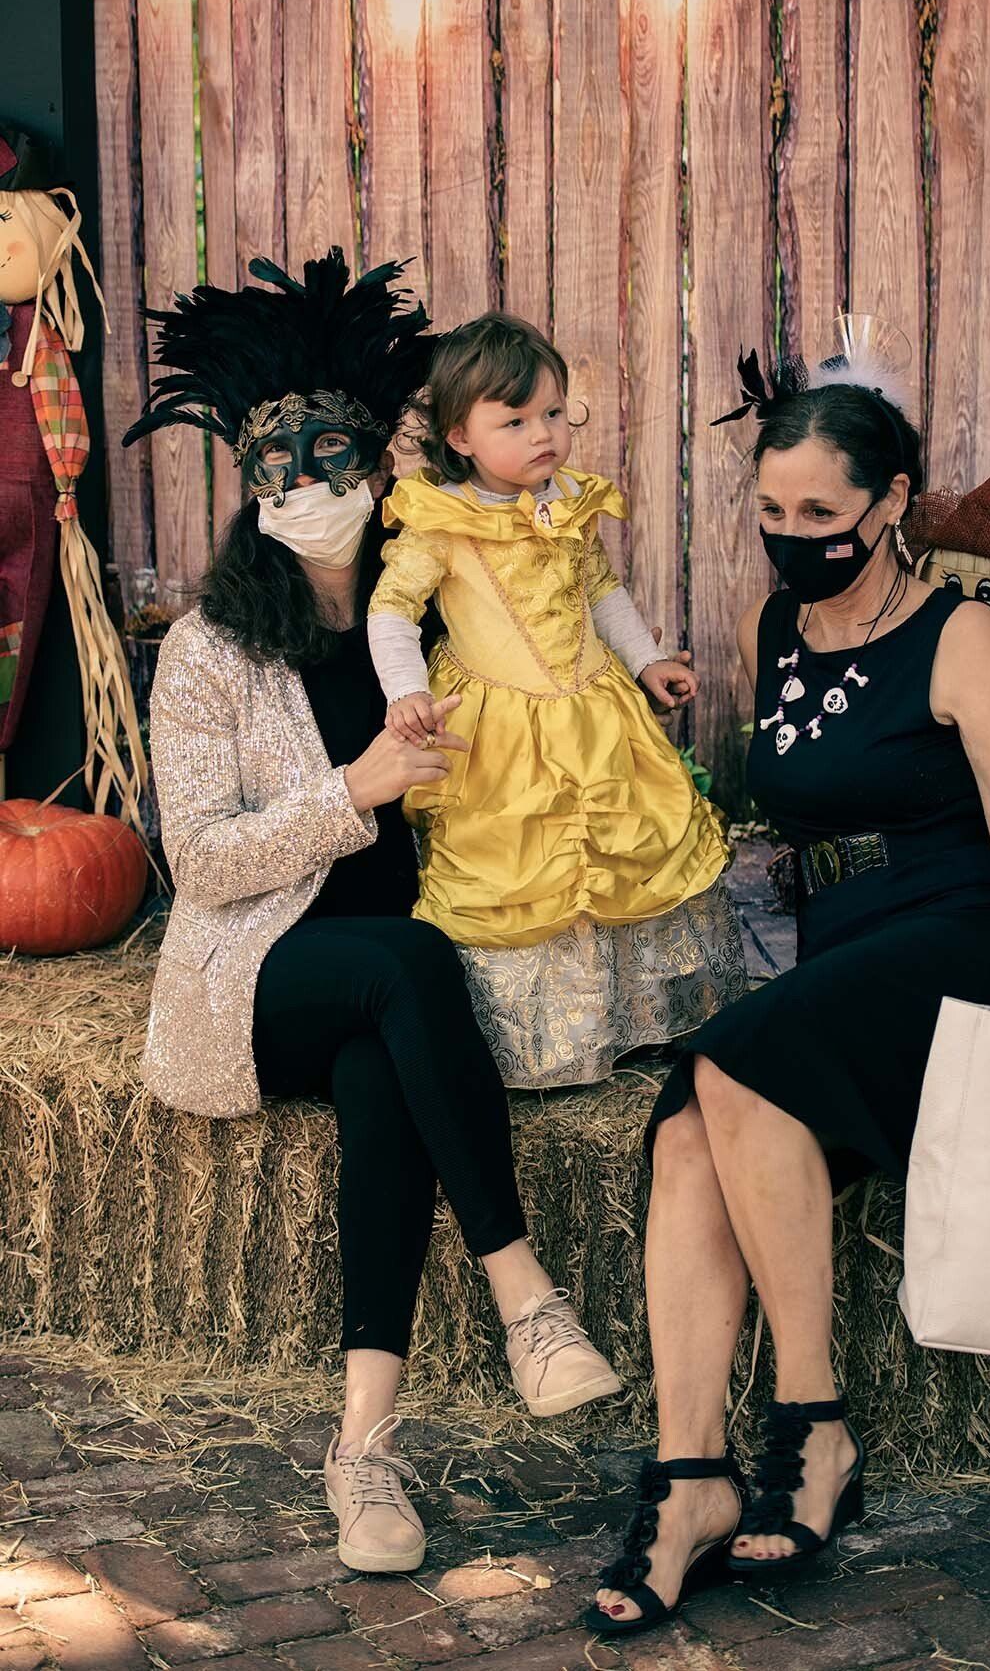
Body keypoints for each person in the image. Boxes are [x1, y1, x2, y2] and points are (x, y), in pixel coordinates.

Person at [585, 338, 990, 1637]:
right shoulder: (770, 629)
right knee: (692, 1128)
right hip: (837, 947)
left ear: (888, 503)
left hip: (954, 934)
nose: (792, 536)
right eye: (771, 511)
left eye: (819, 512)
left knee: (725, 1063)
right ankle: (690, 1480)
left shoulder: (956, 634)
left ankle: (811, 1423)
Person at [126, 250, 619, 1578]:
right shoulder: (213, 649)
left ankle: (364, 1448)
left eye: (335, 459)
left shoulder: (434, 613)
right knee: (401, 964)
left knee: (386, 1073)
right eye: (282, 468)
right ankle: (523, 1294)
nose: (312, 487)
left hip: (401, 985)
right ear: (251, 482)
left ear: (381, 467)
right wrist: (358, 786)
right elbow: (201, 863)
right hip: (258, 970)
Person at [367, 311, 746, 1086]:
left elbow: (600, 589)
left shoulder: (569, 500)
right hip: (500, 726)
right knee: (524, 864)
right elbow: (392, 610)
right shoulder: (442, 518)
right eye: (513, 421)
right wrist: (405, 693)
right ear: (461, 436)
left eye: (550, 412)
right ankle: (549, 1039)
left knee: (620, 851)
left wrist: (645, 662)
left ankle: (632, 1017)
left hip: (592, 709)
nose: (541, 434)